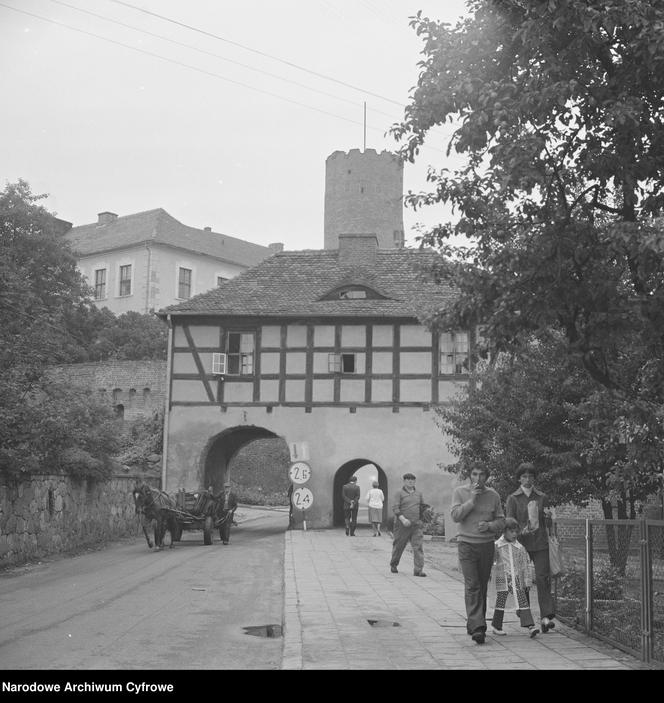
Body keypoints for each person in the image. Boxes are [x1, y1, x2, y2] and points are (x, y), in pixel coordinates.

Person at [451, 463, 505, 645]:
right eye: (474, 474)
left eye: (482, 475)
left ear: (487, 477)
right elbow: (456, 516)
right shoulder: (460, 492)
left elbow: (501, 521)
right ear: (470, 476)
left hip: (486, 545)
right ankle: (479, 628)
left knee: (481, 586)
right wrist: (472, 500)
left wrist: (489, 526)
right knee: (472, 585)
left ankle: (474, 623)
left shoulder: (493, 495)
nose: (478, 478)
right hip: (466, 544)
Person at [505, 462, 556, 633]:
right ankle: (527, 620)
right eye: (524, 476)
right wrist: (519, 531)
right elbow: (509, 522)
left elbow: (547, 522)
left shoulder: (541, 497)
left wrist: (549, 517)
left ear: (534, 478)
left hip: (540, 542)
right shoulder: (513, 498)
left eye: (530, 476)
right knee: (523, 582)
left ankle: (546, 617)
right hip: (521, 544)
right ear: (519, 478)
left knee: (542, 578)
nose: (527, 480)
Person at [491, 517, 540, 638]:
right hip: (502, 578)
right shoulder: (497, 546)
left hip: (516, 579)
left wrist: (527, 581)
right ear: (504, 531)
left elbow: (525, 564)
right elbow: (492, 562)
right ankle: (497, 626)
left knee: (522, 599)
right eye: (511, 531)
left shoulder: (520, 548)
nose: (514, 534)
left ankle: (530, 626)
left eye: (516, 532)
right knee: (501, 600)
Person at [390, 473, 427, 576]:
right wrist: (403, 519)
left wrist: (424, 516)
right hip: (402, 525)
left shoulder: (419, 493)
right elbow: (395, 508)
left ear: (415, 481)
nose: (410, 481)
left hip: (416, 525)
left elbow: (422, 507)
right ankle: (394, 564)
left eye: (412, 480)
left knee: (418, 547)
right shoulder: (399, 493)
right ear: (404, 481)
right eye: (408, 480)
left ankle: (418, 570)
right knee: (399, 546)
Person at [218, 481, 238, 545]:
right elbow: (215, 498)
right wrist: (209, 493)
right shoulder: (221, 494)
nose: (227, 489)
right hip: (222, 512)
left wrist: (232, 510)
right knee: (221, 526)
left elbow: (235, 505)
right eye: (225, 487)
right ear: (224, 488)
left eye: (228, 487)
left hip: (229, 512)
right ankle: (223, 537)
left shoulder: (233, 495)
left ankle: (226, 540)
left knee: (227, 526)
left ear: (230, 488)